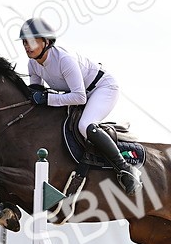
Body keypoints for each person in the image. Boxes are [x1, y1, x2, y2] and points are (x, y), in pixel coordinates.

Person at [19, 18, 141, 194]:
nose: (26, 46)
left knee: (85, 126)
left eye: (31, 42)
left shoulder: (64, 60)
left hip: (102, 88)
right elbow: (36, 92)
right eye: (24, 42)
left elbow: (79, 97)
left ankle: (126, 169)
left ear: (46, 42)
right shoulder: (33, 64)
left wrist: (47, 99)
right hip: (78, 93)